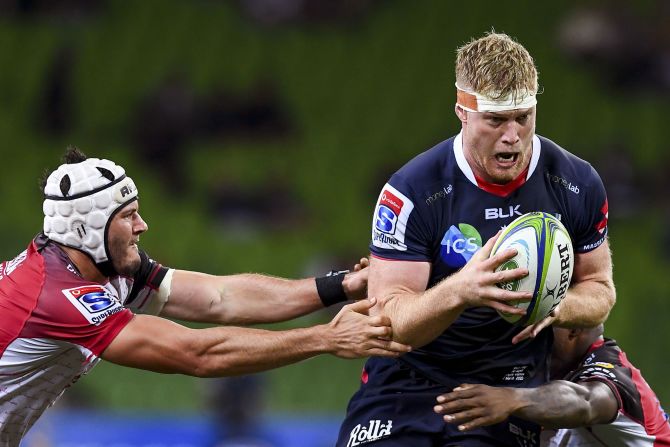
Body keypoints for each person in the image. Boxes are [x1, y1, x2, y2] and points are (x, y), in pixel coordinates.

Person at [0, 148, 411, 446]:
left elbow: (219, 298)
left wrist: (339, 286)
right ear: (85, 230)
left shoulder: (102, 267)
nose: (142, 226)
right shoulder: (57, 294)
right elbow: (197, 354)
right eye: (127, 216)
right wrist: (326, 338)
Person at [336, 31, 615, 446]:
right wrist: (462, 290)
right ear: (462, 112)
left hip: (502, 392)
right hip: (403, 389)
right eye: (496, 119)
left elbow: (600, 291)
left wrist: (554, 303)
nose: (512, 135)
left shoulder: (576, 182)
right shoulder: (411, 191)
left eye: (523, 117)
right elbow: (389, 323)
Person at [433, 325, 670, 446]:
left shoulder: (613, 373)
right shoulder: (543, 367)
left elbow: (585, 402)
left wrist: (512, 399)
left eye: (539, 326)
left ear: (573, 331)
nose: (525, 334)